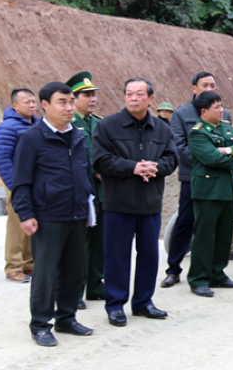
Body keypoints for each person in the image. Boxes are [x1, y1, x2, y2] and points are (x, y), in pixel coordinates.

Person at [12, 82, 93, 346]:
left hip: (77, 215)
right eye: (63, 102)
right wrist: (26, 214)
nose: (69, 107)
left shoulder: (78, 135)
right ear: (45, 105)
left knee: (73, 270)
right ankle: (40, 325)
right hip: (47, 216)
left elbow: (85, 173)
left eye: (71, 101)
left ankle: (67, 318)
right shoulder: (32, 138)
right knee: (45, 273)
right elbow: (21, 181)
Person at [92, 77, 178, 327]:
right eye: (129, 93)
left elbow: (171, 159)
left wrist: (156, 167)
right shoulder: (108, 126)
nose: (133, 98)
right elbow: (100, 160)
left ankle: (143, 302)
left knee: (149, 255)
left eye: (139, 94)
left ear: (150, 99)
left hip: (150, 203)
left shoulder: (162, 129)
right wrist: (134, 167)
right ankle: (115, 305)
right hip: (118, 203)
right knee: (117, 256)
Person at [162, 72, 233, 290]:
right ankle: (175, 270)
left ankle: (216, 273)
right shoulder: (183, 115)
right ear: (194, 88)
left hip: (224, 184)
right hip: (195, 179)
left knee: (221, 231)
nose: (209, 88)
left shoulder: (224, 117)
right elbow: (182, 148)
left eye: (213, 84)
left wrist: (226, 153)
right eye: (205, 85)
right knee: (189, 225)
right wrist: (213, 160)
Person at [187, 92, 233, 297]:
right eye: (217, 107)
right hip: (207, 191)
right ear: (204, 112)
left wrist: (227, 151)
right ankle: (198, 279)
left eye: (221, 105)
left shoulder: (224, 127)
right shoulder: (197, 133)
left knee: (223, 236)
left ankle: (217, 274)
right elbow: (212, 158)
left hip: (227, 189)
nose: (221, 110)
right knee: (205, 236)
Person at [66, 71, 105, 310]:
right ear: (74, 98)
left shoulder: (98, 123)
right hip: (81, 191)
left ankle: (95, 286)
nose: (92, 99)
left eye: (93, 95)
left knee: (99, 241)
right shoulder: (69, 124)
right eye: (86, 95)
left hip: (101, 191)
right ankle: (75, 291)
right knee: (79, 244)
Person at [0, 88, 39, 283]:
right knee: (16, 224)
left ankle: (28, 263)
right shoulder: (7, 128)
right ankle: (13, 266)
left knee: (31, 222)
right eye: (27, 102)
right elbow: (2, 158)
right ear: (15, 106)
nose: (32, 105)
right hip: (16, 183)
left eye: (33, 101)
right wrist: (15, 186)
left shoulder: (36, 125)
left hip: (32, 181)